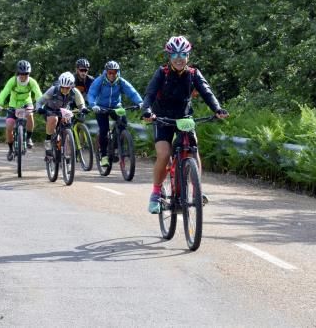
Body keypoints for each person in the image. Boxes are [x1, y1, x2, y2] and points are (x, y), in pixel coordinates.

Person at [141, 36, 228, 214]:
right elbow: (149, 94)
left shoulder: (194, 74)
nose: (179, 59)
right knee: (164, 154)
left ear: (188, 56)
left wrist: (218, 109)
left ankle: (197, 191)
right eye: (174, 55)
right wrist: (147, 112)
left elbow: (207, 92)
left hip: (184, 118)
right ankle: (156, 193)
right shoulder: (162, 73)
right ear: (169, 57)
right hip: (162, 118)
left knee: (193, 149)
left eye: (183, 54)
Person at [87, 60, 144, 168]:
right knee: (104, 129)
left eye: (115, 72)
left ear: (118, 72)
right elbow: (92, 93)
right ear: (106, 72)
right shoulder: (100, 81)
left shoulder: (120, 81)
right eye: (110, 73)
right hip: (101, 107)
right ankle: (104, 156)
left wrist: (140, 102)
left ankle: (116, 145)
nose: (112, 75)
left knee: (123, 123)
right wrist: (93, 104)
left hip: (116, 106)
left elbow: (132, 92)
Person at [36, 72, 89, 160]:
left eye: (67, 88)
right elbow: (39, 101)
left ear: (71, 87)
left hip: (64, 111)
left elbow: (81, 104)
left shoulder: (75, 91)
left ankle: (66, 154)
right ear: (60, 85)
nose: (64, 90)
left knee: (68, 128)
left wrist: (83, 108)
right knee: (54, 119)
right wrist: (39, 108)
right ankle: (48, 141)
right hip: (51, 110)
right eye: (63, 88)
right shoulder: (53, 90)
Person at [0, 60, 43, 155]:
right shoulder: (12, 81)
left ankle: (29, 137)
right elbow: (4, 92)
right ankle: (10, 149)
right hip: (13, 105)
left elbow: (38, 94)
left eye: (26, 74)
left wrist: (40, 105)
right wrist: (0, 104)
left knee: (30, 115)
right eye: (21, 73)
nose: (23, 76)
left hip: (27, 103)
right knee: (9, 126)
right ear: (18, 73)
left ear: (28, 74)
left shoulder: (32, 82)